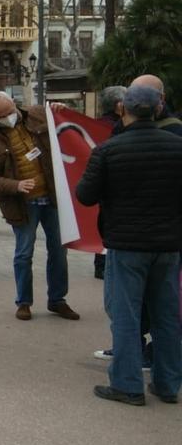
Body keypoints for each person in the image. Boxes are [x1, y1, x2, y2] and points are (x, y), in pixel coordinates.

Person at [76, 85, 182, 406]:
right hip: (168, 244)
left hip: (126, 243)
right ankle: (167, 384)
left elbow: (85, 195)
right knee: (166, 315)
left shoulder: (110, 150)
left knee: (126, 314)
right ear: (159, 107)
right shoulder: (178, 147)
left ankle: (127, 384)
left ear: (124, 109)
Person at [0, 92, 79, 322]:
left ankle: (57, 299)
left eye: (10, 112)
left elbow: (68, 126)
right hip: (21, 204)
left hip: (52, 198)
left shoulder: (38, 115)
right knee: (24, 253)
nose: (8, 117)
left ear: (15, 105)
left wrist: (62, 109)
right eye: (1, 115)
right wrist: (15, 185)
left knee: (59, 251)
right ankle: (24, 302)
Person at [89, 86, 127, 279]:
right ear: (119, 105)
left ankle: (101, 263)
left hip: (102, 187)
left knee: (103, 223)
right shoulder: (122, 127)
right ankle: (106, 263)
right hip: (120, 188)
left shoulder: (93, 125)